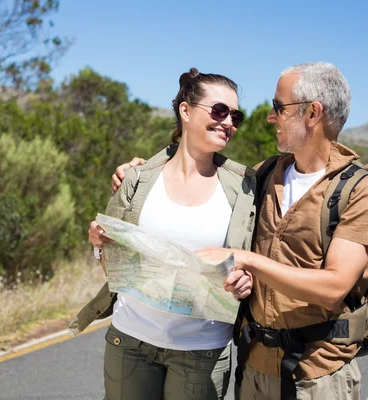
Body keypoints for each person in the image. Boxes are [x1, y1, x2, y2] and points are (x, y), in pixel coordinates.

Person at [113, 62, 368, 400]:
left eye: (279, 107)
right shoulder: (264, 175)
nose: (271, 117)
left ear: (313, 114)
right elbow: (199, 166)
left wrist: (245, 259)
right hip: (255, 368)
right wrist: (140, 170)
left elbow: (334, 287)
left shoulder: (361, 191)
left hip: (315, 375)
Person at [70, 68, 257, 400]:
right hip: (130, 344)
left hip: (203, 352)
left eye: (235, 115)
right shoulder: (137, 179)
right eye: (219, 111)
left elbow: (251, 258)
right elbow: (112, 268)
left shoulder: (244, 187)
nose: (228, 121)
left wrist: (245, 281)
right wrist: (100, 245)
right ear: (186, 111)